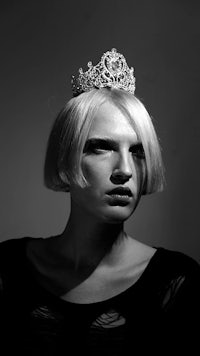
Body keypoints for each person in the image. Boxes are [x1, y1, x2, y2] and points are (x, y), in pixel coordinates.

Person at [0, 48, 199, 355]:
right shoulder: (7, 267)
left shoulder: (176, 281)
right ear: (66, 160)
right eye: (101, 148)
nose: (125, 170)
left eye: (137, 151)